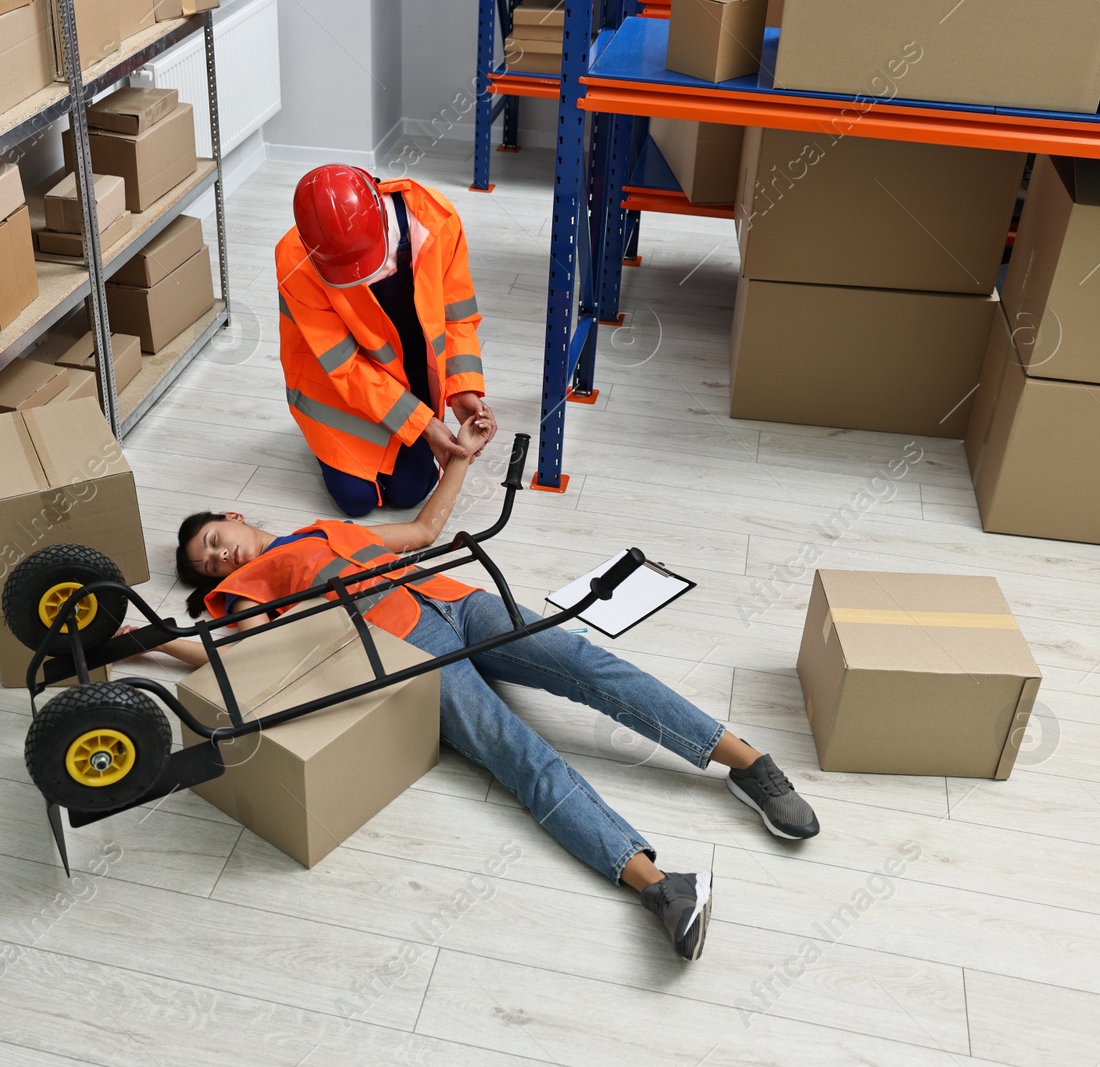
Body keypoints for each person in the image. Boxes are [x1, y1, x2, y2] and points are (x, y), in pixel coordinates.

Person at [140, 417, 821, 962]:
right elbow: (226, 654)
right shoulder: (244, 592)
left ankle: (744, 761)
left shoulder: (323, 531)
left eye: (213, 538)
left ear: (230, 514)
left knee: (585, 663)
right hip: (413, 656)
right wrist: (140, 637)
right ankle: (659, 886)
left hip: (461, 601)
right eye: (208, 564)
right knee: (517, 754)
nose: (220, 555)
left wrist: (462, 456)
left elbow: (427, 532)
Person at [277, 164, 493, 517]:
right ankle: (322, 445)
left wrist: (463, 389)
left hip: (406, 371)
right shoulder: (295, 260)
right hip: (339, 393)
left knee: (411, 491)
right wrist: (421, 424)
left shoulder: (436, 222)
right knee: (356, 501)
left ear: (380, 208)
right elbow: (343, 366)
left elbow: (457, 318)